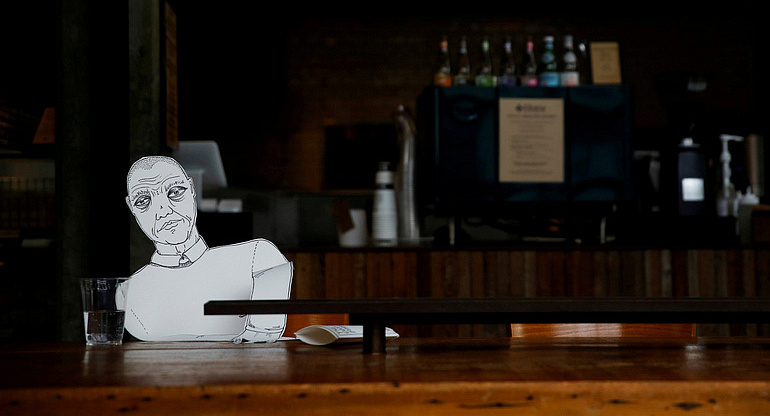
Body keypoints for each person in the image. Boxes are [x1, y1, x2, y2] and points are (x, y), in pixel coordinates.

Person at [122, 155, 292, 342]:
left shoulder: (257, 258)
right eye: (143, 201)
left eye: (175, 191)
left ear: (192, 190)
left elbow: (266, 338)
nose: (163, 210)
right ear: (132, 208)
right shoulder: (129, 290)